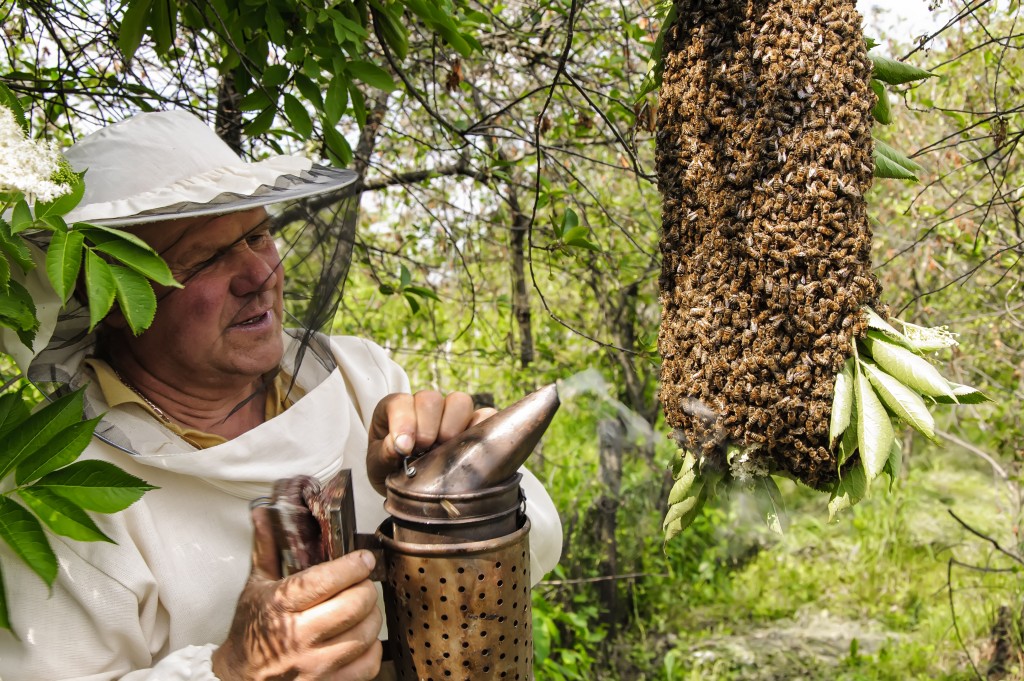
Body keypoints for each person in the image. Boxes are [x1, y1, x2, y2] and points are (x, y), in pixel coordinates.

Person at [0, 111, 562, 680]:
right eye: (206, 258)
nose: (260, 272)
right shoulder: (58, 484)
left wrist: (451, 490)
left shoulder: (360, 375)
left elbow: (536, 550)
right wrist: (231, 670)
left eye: (258, 234)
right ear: (112, 297)